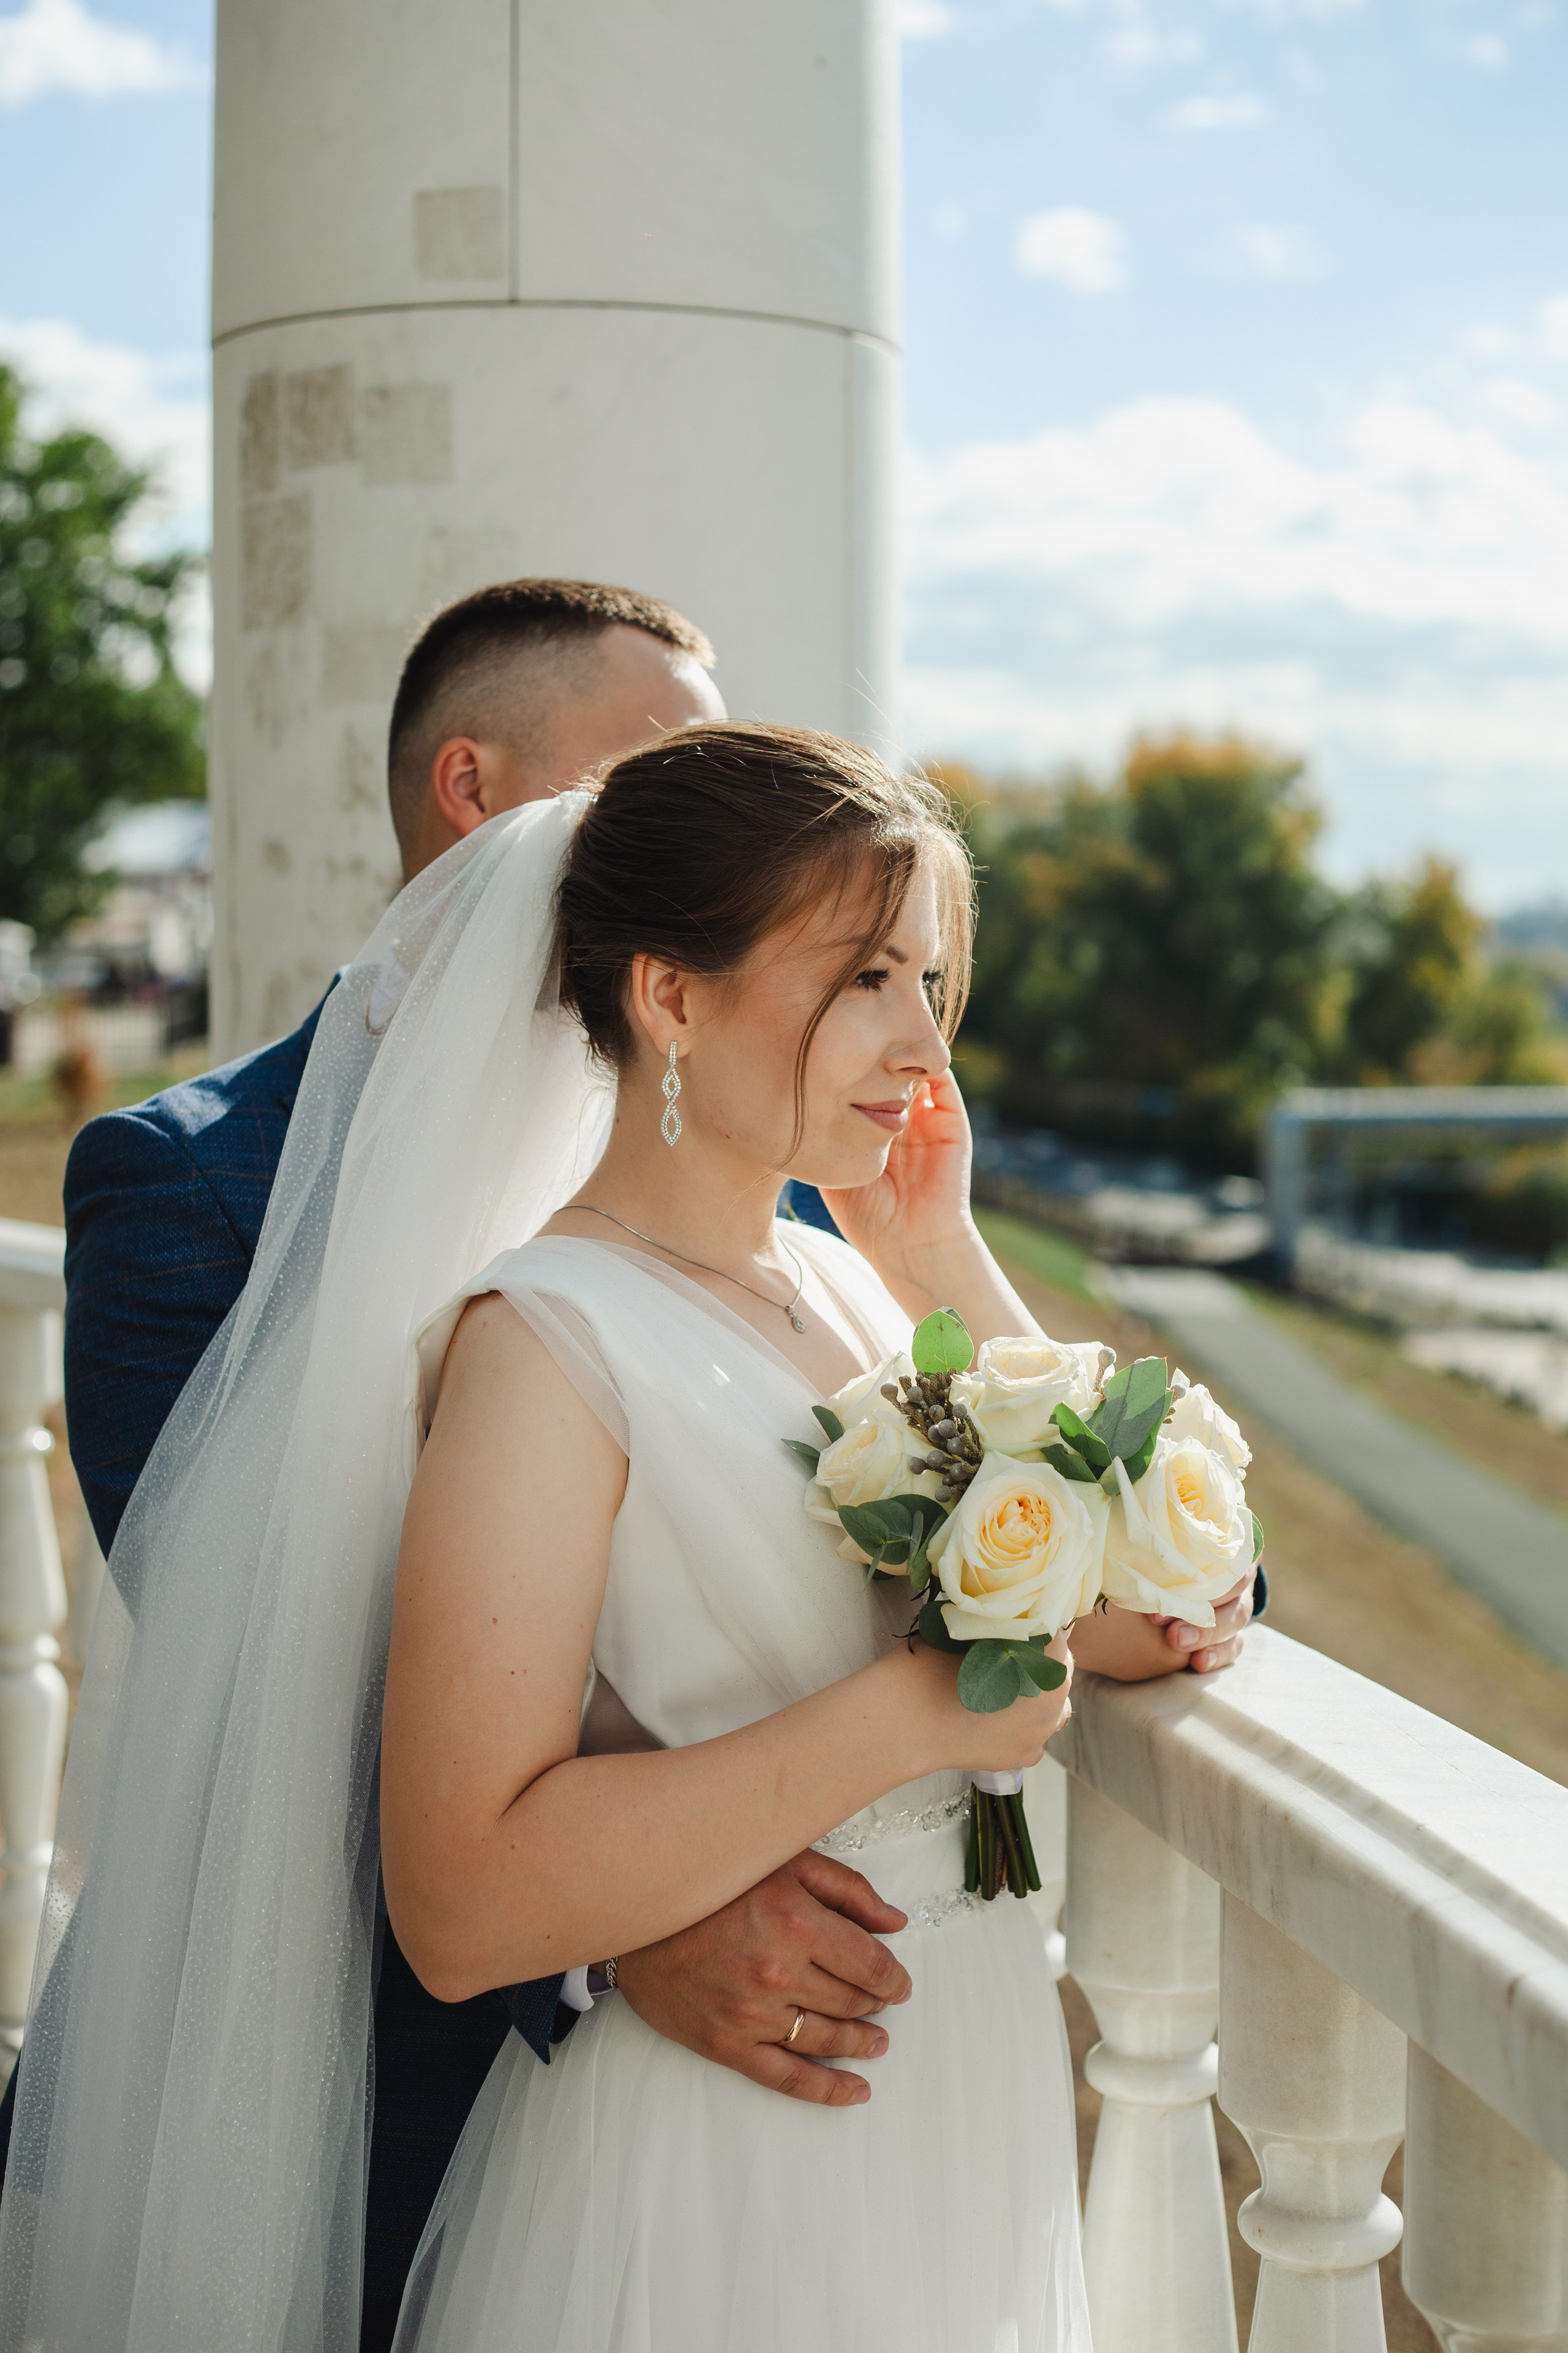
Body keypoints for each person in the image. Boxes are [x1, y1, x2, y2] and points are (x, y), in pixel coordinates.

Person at [0, 723, 1254, 2351]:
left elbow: (1152, 1604)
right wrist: (914, 1714)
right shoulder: (546, 1341)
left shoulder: (846, 1286)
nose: (921, 1048)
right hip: (728, 2165)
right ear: (669, 995)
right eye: (864, 979)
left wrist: (940, 1252)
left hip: (954, 2103)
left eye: (929, 983)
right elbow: (459, 1898)